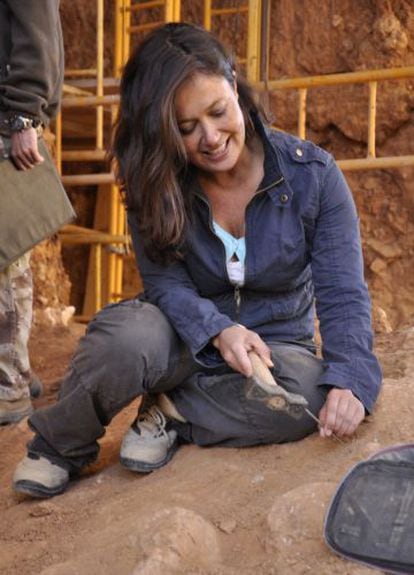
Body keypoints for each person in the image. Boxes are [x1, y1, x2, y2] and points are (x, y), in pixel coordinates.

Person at [13, 22, 382, 498]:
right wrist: (217, 330)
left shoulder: (313, 176)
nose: (210, 137)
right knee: (127, 339)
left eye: (218, 112)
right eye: (186, 128)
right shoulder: (157, 178)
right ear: (164, 131)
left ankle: (175, 412)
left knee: (311, 392)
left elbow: (343, 293)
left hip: (272, 349)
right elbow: (165, 282)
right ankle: (60, 445)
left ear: (234, 82)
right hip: (181, 336)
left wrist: (351, 380)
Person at [0, 0, 65, 424]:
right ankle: (16, 371)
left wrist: (24, 116)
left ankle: (9, 387)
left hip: (7, 122)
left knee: (4, 257)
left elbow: (36, 28)